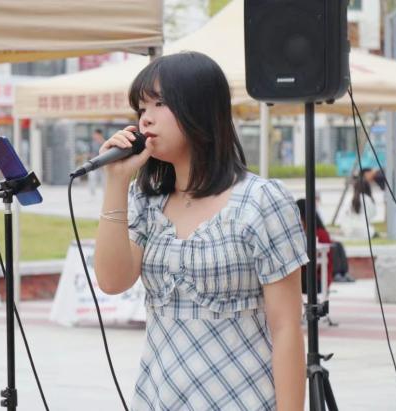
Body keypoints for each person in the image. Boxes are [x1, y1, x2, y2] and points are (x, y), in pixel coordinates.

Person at [93, 52, 307, 410]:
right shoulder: (147, 200)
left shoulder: (260, 201)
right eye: (141, 108)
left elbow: (286, 328)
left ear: (200, 107)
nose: (146, 118)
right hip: (160, 399)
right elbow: (112, 281)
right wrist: (116, 182)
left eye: (160, 103)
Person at [88, 128, 106, 196]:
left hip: (102, 164)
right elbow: (90, 153)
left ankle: (105, 193)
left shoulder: (104, 143)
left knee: (103, 180)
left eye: (95, 134)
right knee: (92, 178)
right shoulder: (92, 143)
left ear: (99, 134)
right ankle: (92, 193)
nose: (94, 136)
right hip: (93, 163)